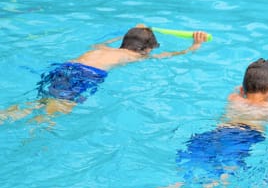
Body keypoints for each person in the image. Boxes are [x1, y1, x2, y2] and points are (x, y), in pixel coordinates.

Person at [156, 58, 268, 188]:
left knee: (196, 163)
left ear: (242, 89)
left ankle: (175, 187)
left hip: (211, 134)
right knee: (225, 173)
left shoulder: (234, 98)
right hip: (241, 138)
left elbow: (242, 88)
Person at [0, 25, 209, 124]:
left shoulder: (102, 48)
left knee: (41, 101)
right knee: (54, 112)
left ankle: (5, 115)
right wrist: (194, 46)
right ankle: (34, 133)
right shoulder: (136, 56)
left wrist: (129, 31)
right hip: (85, 74)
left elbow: (108, 42)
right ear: (148, 48)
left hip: (65, 68)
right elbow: (169, 56)